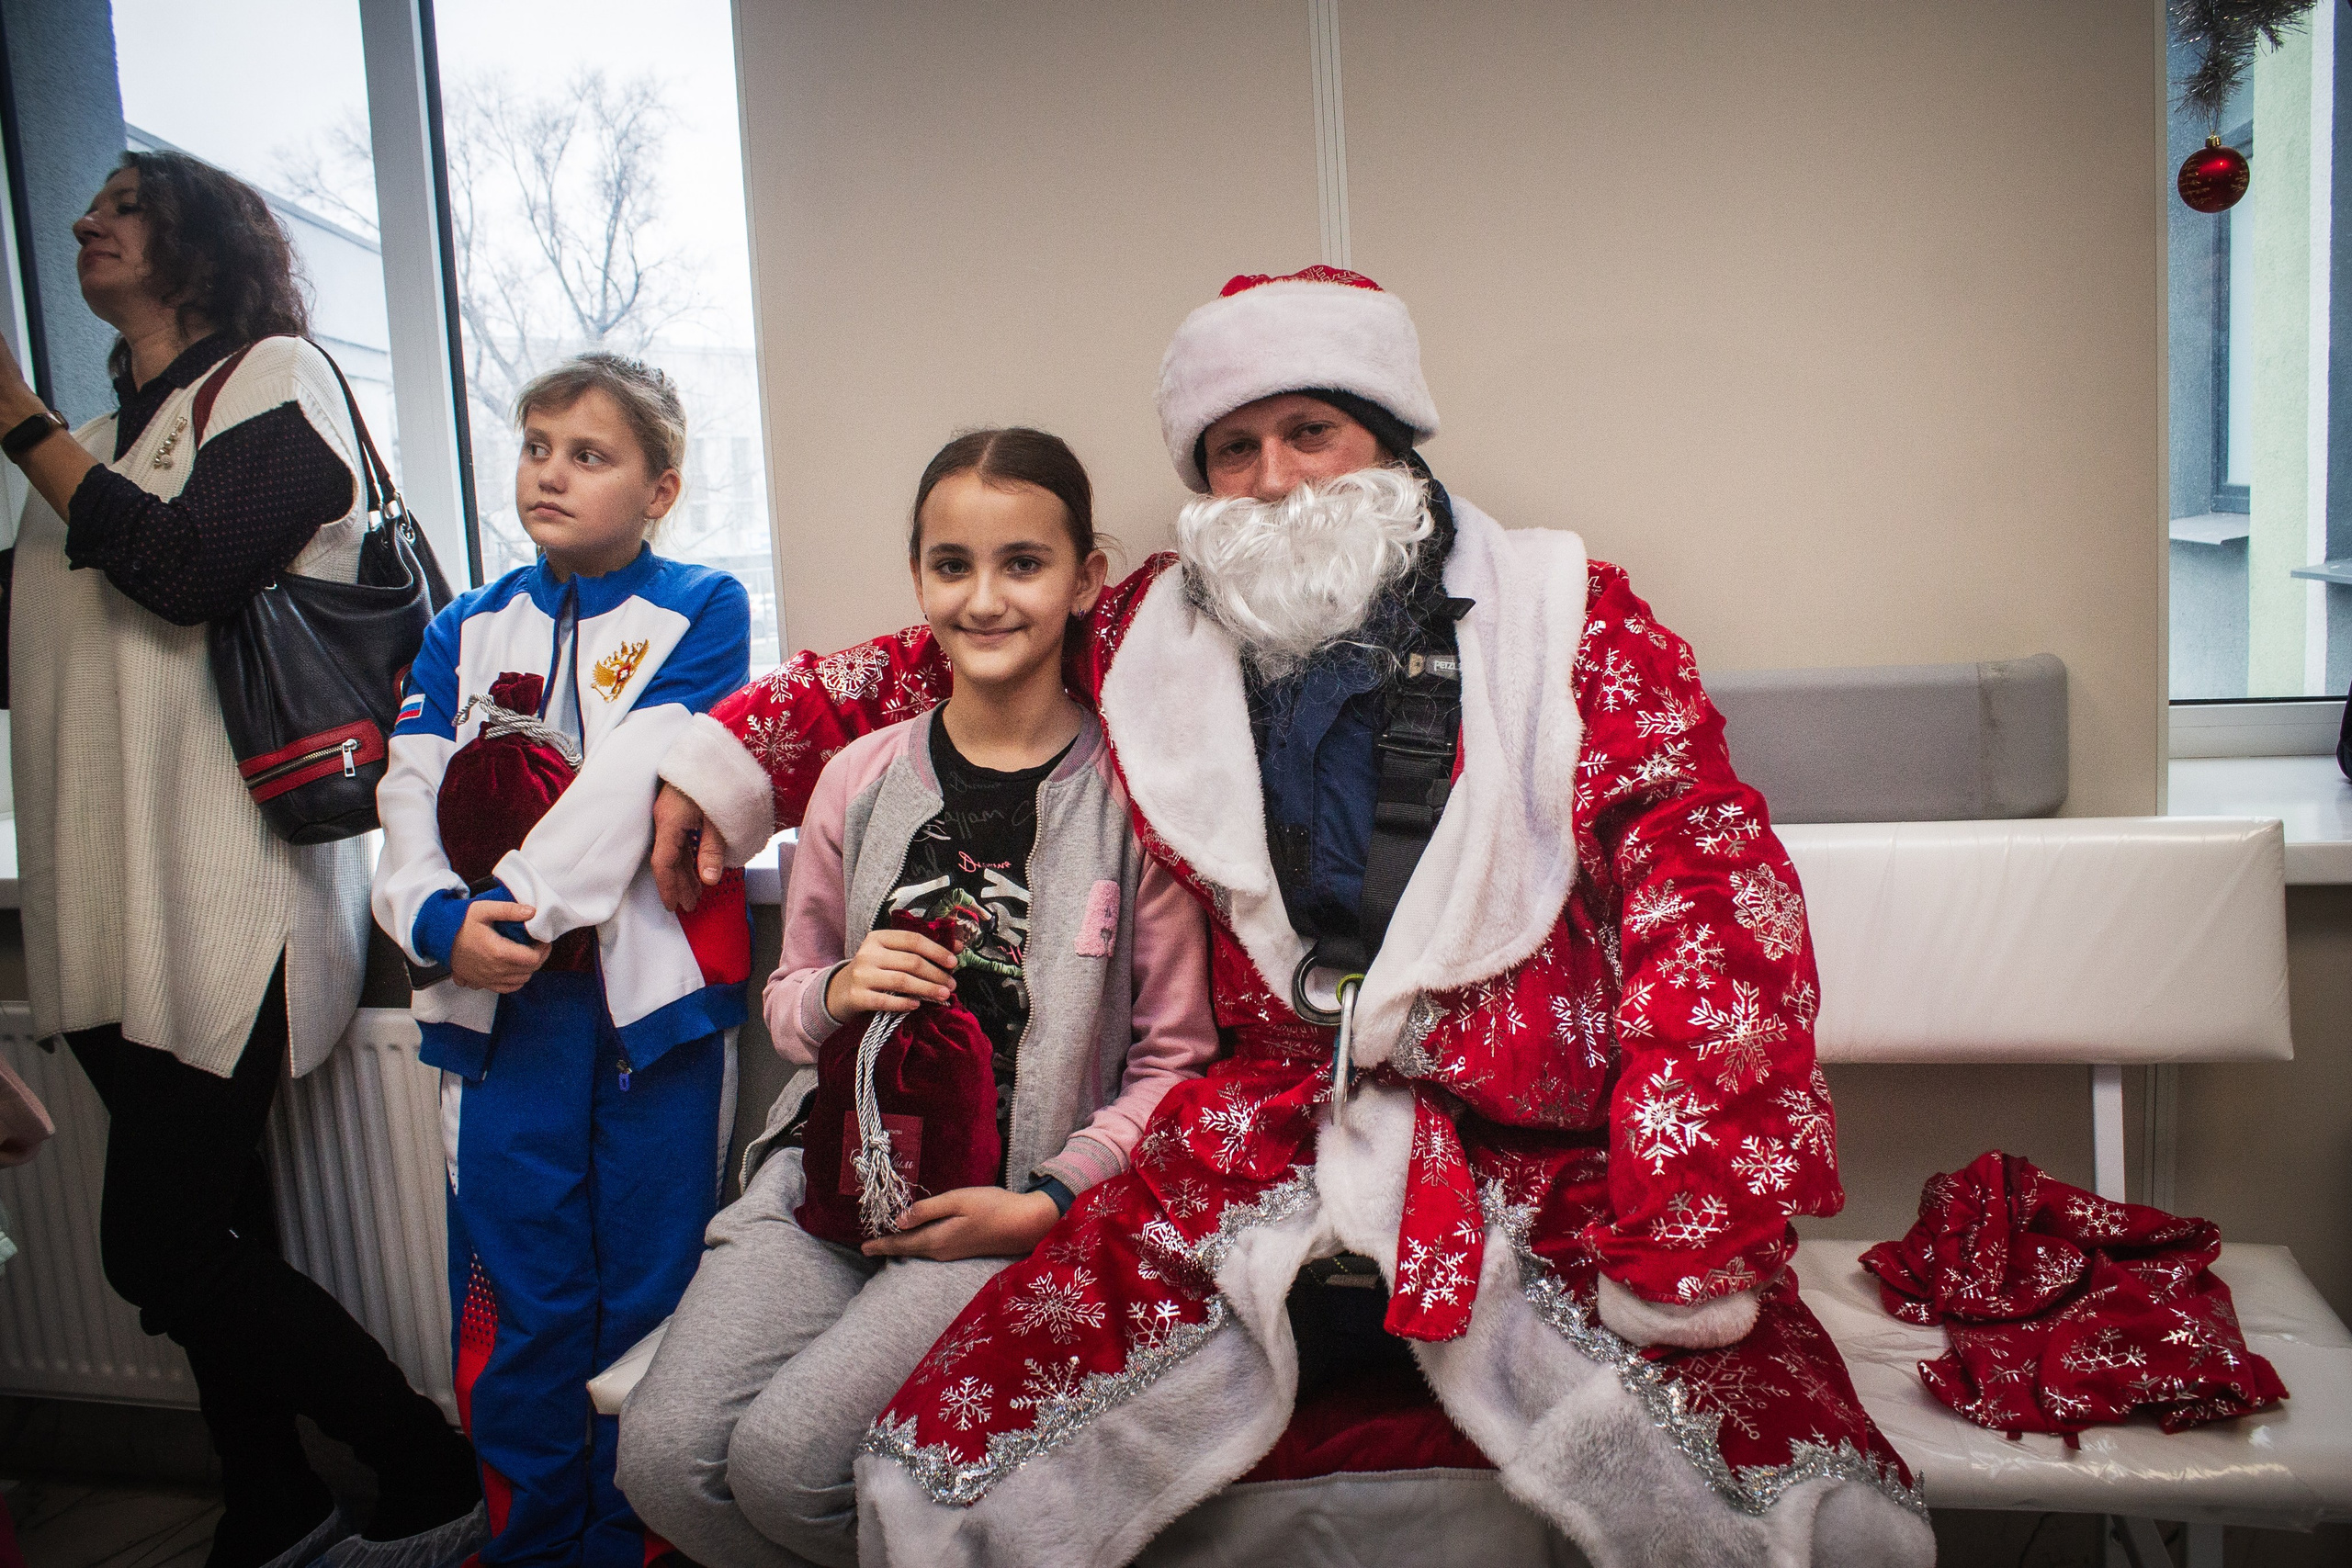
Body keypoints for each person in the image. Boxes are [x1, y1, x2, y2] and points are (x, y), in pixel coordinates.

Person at [650, 267, 1938, 1568]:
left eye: (1309, 431)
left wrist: (1692, 1214)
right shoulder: (1153, 624)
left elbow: (1715, 900)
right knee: (955, 1473)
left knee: (1768, 1496)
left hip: (1523, 1142)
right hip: (1237, 1139)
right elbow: (945, 647)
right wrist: (724, 758)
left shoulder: (1571, 619)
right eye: (1234, 447)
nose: (1272, 479)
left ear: (1390, 437)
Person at [616, 429, 1217, 1568]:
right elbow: (789, 1005)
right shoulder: (858, 778)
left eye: (1023, 564)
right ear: (918, 580)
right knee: (662, 1459)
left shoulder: (1138, 808)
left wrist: (1045, 1202)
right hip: (826, 1179)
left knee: (791, 1466)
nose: (984, 598)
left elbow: (1174, 1065)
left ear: (1087, 578)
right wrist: (840, 988)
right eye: (952, 565)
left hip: (994, 1214)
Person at [0, 151, 481, 1568]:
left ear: (202, 241)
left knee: (154, 1248)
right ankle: (274, 1508)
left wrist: (17, 420)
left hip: (228, 894)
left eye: (127, 204)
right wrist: (46, 437)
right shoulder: (86, 439)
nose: (88, 221)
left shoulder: (276, 380)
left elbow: (191, 568)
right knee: (213, 1235)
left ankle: (427, 1463)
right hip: (102, 890)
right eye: (88, 204)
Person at [370, 354, 752, 1568]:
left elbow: (636, 781)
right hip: (497, 1021)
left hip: (652, 1021)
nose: (550, 470)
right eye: (536, 444)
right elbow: (409, 795)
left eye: (589, 453)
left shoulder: (704, 607)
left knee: (650, 1295)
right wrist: (439, 923)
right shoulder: (460, 628)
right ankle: (528, 1541)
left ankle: (636, 1542)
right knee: (518, 1299)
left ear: (660, 486)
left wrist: (519, 908)